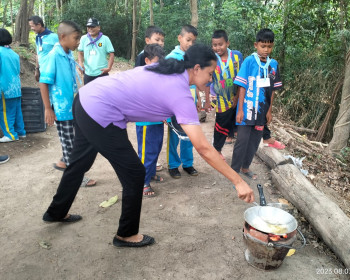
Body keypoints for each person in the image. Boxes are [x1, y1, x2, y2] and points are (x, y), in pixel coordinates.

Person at [41, 44, 254, 248]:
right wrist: (237, 182)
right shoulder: (179, 92)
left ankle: (56, 212)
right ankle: (126, 234)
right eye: (210, 74)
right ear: (196, 68)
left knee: (79, 163)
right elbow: (204, 148)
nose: (211, 80)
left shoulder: (169, 67)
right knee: (134, 173)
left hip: (86, 98)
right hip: (100, 110)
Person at [39, 20, 96, 187]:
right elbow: (43, 82)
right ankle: (76, 177)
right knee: (72, 145)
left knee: (73, 141)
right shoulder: (54, 56)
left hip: (72, 108)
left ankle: (64, 161)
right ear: (63, 36)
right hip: (62, 111)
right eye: (76, 38)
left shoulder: (67, 53)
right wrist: (48, 108)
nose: (78, 42)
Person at [231, 28, 282, 179]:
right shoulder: (249, 61)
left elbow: (273, 90)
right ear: (256, 45)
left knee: (254, 141)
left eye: (270, 46)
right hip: (247, 110)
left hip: (261, 112)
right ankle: (234, 171)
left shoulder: (273, 65)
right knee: (242, 140)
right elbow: (242, 86)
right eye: (263, 46)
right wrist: (239, 110)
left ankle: (245, 167)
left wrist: (269, 111)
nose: (266, 50)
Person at [166, 24, 199, 179]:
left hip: (189, 102)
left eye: (193, 41)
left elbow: (197, 79)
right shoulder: (171, 58)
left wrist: (198, 99)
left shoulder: (193, 57)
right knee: (174, 135)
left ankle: (187, 163)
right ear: (180, 38)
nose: (190, 44)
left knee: (189, 134)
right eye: (188, 40)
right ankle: (173, 165)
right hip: (175, 104)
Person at [135, 44, 166, 197]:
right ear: (146, 60)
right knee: (146, 153)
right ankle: (142, 182)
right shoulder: (141, 77)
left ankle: (151, 174)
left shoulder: (158, 77)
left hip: (157, 121)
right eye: (156, 62)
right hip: (146, 122)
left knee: (156, 149)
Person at [208, 29, 243, 160]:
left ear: (227, 43)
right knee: (220, 123)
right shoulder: (211, 59)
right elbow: (207, 79)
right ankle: (217, 149)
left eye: (220, 44)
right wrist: (207, 99)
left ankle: (239, 151)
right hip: (221, 97)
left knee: (237, 122)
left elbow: (242, 76)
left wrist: (238, 95)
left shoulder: (237, 56)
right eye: (214, 45)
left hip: (237, 95)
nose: (218, 48)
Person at [0, 28, 26, 143]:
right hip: (16, 88)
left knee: (5, 112)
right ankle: (21, 132)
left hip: (4, 88)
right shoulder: (13, 53)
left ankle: (10, 134)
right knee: (16, 111)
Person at [78, 18, 115, 85]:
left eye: (93, 27)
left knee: (103, 94)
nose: (90, 29)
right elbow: (80, 52)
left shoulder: (105, 39)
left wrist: (109, 68)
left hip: (102, 73)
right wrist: (80, 63)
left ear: (99, 27)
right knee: (88, 93)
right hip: (88, 73)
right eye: (88, 27)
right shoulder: (84, 38)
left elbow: (111, 54)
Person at [28, 16, 59, 82]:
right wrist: (37, 69)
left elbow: (61, 53)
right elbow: (38, 54)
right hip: (43, 71)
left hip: (54, 72)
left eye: (32, 26)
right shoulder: (38, 38)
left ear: (39, 25)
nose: (31, 28)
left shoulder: (54, 37)